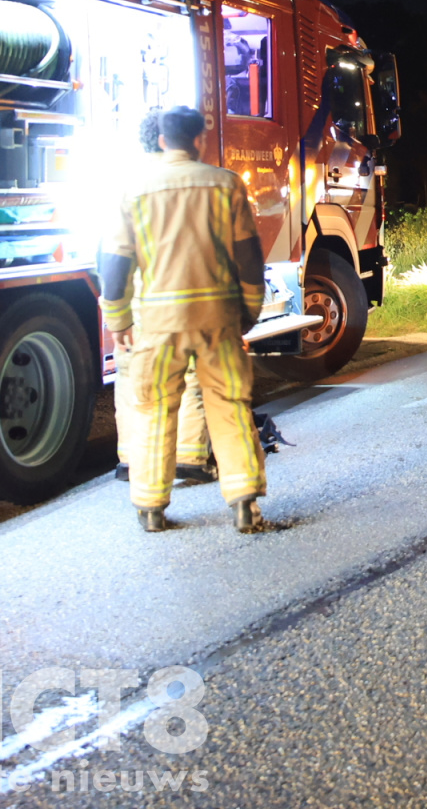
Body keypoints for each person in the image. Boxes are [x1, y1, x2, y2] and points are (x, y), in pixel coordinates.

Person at [99, 106, 269, 533]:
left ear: (161, 141)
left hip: (159, 324)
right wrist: (250, 310)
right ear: (201, 140)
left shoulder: (134, 191)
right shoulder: (226, 184)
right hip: (218, 319)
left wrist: (117, 319)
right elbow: (249, 256)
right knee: (229, 404)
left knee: (154, 408)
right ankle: (245, 502)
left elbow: (115, 264)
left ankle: (151, 508)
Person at [112, 109, 214, 486]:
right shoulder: (198, 179)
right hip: (190, 303)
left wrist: (116, 316)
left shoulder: (128, 182)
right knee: (188, 376)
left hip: (141, 306)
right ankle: (188, 456)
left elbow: (114, 257)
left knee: (131, 378)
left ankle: (131, 458)